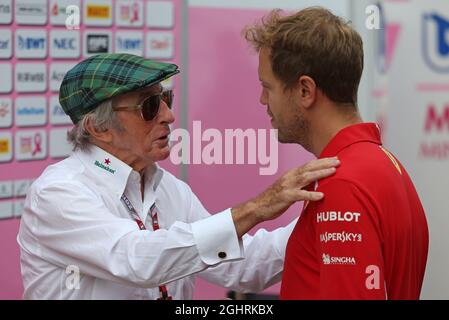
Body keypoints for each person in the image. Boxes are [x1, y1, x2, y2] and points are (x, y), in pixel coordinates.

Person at [17, 53, 339, 299]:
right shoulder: (58, 193)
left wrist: (325, 218)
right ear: (99, 128)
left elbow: (241, 267)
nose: (169, 116)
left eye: (166, 99)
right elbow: (138, 261)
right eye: (150, 106)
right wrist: (257, 208)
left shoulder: (169, 188)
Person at [243, 7, 429, 299]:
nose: (263, 99)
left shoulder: (342, 183)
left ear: (305, 90)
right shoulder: (385, 165)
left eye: (269, 87)